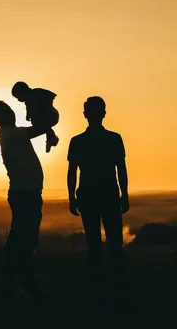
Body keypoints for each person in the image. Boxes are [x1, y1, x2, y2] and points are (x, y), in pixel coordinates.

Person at [67, 96, 129, 299]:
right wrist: (124, 194)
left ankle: (101, 287)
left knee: (94, 243)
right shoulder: (113, 138)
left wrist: (71, 197)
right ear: (104, 113)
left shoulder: (78, 141)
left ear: (85, 114)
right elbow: (121, 169)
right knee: (113, 243)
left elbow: (72, 172)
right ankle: (117, 288)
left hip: (90, 195)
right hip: (107, 194)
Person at [0, 100, 51, 300]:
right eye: (7, 113)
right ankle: (20, 284)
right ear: (0, 119)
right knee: (23, 241)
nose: (12, 115)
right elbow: (39, 129)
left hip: (27, 193)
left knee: (24, 240)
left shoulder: (11, 134)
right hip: (25, 194)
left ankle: (19, 284)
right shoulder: (10, 134)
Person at [11, 81, 60, 153]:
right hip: (50, 116)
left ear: (23, 92)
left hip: (51, 115)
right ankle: (51, 139)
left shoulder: (34, 95)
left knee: (40, 124)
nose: (19, 100)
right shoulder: (29, 99)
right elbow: (29, 108)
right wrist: (28, 116)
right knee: (44, 127)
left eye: (18, 97)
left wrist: (32, 115)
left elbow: (34, 107)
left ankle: (52, 138)